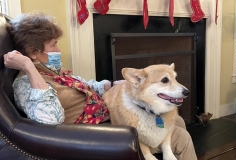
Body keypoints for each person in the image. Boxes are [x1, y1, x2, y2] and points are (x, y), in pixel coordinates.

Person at [4, 12, 197, 159]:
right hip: (93, 132)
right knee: (181, 137)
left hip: (104, 113)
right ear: (32, 52)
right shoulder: (26, 83)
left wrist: (113, 84)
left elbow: (86, 86)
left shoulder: (54, 71)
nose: (59, 50)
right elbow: (49, 120)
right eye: (53, 44)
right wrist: (29, 68)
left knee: (176, 121)